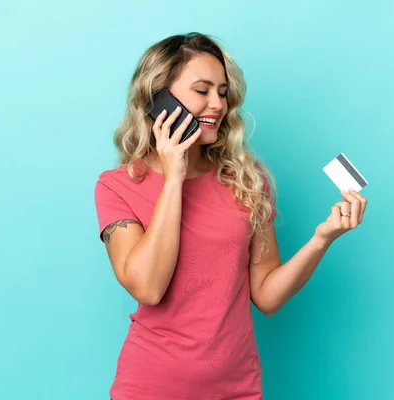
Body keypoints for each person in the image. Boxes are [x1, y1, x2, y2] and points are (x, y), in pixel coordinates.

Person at [94, 32, 368, 400]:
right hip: (152, 387)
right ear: (159, 99)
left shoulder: (245, 179)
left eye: (222, 92)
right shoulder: (118, 186)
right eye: (202, 90)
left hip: (237, 388)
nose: (217, 105)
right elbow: (148, 287)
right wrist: (173, 177)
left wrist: (323, 238)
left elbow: (267, 296)